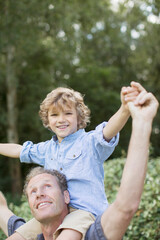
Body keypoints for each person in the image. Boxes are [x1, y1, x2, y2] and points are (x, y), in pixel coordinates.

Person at [0, 82, 159, 240]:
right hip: (55, 214)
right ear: (47, 121)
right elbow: (19, 150)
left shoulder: (89, 142)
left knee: (67, 235)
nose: (61, 119)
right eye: (54, 115)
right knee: (19, 235)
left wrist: (125, 110)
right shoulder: (46, 149)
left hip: (84, 212)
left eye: (68, 113)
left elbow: (109, 130)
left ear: (79, 117)